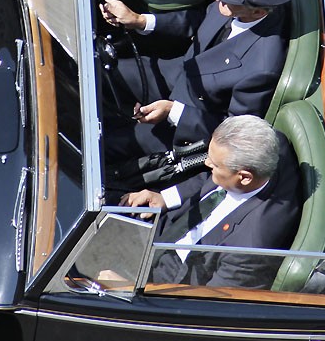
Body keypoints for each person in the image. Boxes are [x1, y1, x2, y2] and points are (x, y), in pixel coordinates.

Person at [98, 0, 295, 161]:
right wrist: (139, 20)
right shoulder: (239, 4)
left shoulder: (262, 67)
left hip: (185, 122)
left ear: (257, 11)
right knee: (102, 71)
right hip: (175, 74)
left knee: (109, 145)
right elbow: (200, 21)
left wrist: (173, 112)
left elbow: (233, 131)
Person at [122, 114, 302, 289]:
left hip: (175, 279)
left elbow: (212, 301)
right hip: (172, 226)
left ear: (244, 177)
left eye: (215, 165)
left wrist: (128, 288)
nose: (207, 163)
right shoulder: (273, 146)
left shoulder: (249, 248)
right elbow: (211, 181)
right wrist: (165, 199)